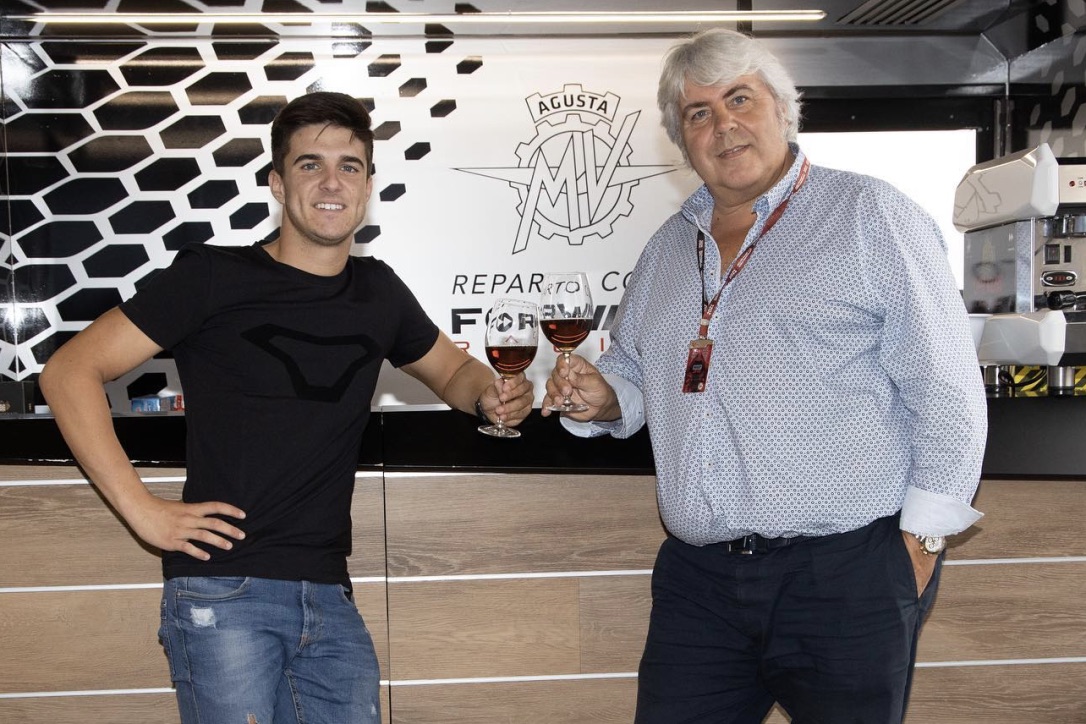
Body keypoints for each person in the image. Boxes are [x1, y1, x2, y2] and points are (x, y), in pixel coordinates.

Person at [39, 91, 534, 724]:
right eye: (310, 165)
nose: (332, 182)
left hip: (329, 594)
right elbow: (69, 371)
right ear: (277, 183)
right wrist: (142, 512)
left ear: (368, 186)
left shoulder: (378, 291)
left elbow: (456, 372)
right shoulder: (213, 276)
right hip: (224, 590)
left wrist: (491, 394)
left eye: (349, 166)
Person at [541, 29, 987, 723]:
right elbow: (632, 375)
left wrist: (919, 548)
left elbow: (947, 390)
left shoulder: (870, 216)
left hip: (846, 574)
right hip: (700, 582)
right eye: (699, 113)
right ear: (682, 140)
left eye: (740, 99)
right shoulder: (666, 250)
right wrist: (602, 398)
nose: (723, 125)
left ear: (783, 108)